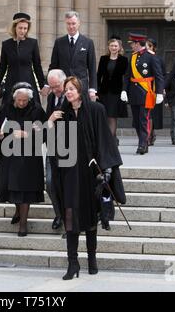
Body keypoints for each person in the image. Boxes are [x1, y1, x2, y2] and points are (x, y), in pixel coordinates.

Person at [48, 76, 124, 280]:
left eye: (71, 88)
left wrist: (106, 169)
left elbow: (105, 140)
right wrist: (50, 122)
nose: (68, 92)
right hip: (69, 174)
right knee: (70, 217)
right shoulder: (60, 114)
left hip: (91, 173)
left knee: (91, 218)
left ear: (80, 90)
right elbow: (45, 141)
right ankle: (73, 264)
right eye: (66, 89)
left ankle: (92, 259)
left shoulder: (96, 110)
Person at [0, 82, 47, 237]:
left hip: (29, 158)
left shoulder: (37, 110)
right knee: (11, 188)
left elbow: (45, 132)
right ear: (14, 98)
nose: (21, 103)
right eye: (19, 100)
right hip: (9, 156)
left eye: (24, 101)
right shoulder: (5, 108)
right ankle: (17, 211)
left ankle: (23, 224)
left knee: (24, 191)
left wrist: (26, 133)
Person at [121, 33, 164, 155]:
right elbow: (127, 76)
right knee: (136, 121)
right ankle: (143, 140)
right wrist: (124, 90)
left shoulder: (151, 57)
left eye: (132, 44)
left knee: (143, 119)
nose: (131, 46)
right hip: (134, 93)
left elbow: (159, 76)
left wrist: (159, 93)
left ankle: (142, 144)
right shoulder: (133, 56)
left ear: (138, 44)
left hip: (146, 93)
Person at [0, 12, 47, 108]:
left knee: (32, 111)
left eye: (25, 28)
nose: (23, 31)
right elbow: (2, 66)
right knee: (8, 111)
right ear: (15, 28)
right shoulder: (6, 44)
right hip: (11, 82)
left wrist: (42, 85)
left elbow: (37, 65)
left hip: (28, 82)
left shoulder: (32, 43)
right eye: (20, 28)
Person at [49, 11, 97, 101]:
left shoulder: (88, 42)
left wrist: (92, 89)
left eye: (73, 23)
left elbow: (92, 68)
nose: (71, 26)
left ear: (79, 23)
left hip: (81, 87)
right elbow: (54, 66)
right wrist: (48, 84)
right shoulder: (59, 42)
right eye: (68, 24)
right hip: (63, 88)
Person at [45, 69, 68, 231]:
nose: (54, 90)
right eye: (51, 87)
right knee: (50, 182)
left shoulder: (72, 95)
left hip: (69, 147)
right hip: (53, 146)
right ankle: (59, 214)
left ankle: (69, 219)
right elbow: (48, 120)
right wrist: (50, 120)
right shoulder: (52, 97)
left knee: (67, 184)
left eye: (57, 86)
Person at [96, 37, 128, 144]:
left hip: (116, 92)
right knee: (104, 115)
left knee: (112, 116)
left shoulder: (123, 60)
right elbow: (98, 75)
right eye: (111, 46)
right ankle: (112, 138)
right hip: (104, 92)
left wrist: (124, 91)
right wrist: (96, 91)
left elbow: (126, 77)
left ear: (119, 47)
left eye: (115, 46)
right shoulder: (103, 59)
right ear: (108, 47)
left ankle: (111, 141)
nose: (113, 47)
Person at [146, 38, 166, 146]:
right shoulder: (141, 57)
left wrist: (161, 89)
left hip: (154, 88)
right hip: (144, 88)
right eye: (146, 45)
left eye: (150, 46)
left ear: (154, 47)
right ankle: (146, 135)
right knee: (145, 113)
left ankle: (150, 134)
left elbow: (162, 75)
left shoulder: (158, 59)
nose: (147, 48)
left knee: (152, 114)